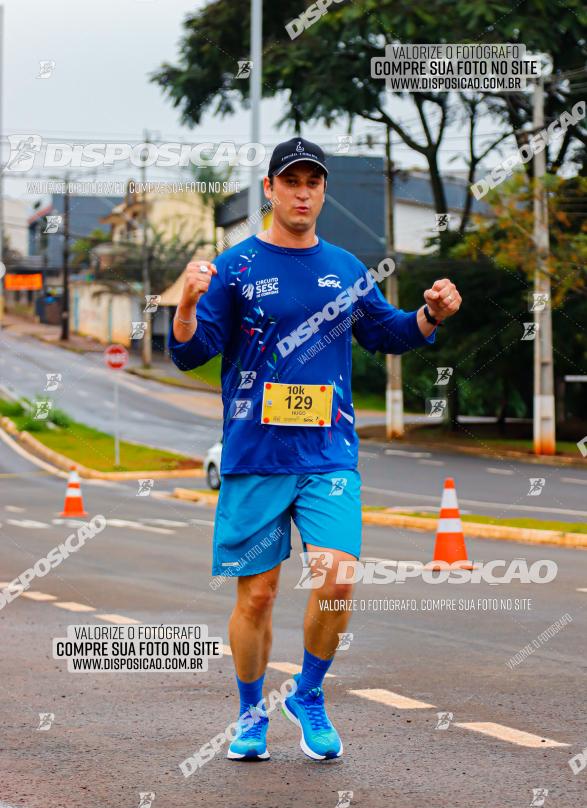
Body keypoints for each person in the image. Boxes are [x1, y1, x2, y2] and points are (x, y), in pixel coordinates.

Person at [169, 137, 461, 762]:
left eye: (313, 182)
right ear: (269, 190)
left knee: (338, 578)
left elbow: (386, 332)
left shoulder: (348, 268)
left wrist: (430, 315)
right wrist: (187, 304)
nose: (302, 192)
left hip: (329, 454)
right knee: (258, 594)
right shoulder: (236, 267)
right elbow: (192, 351)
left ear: (322, 192)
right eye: (290, 181)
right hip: (254, 454)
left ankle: (308, 694)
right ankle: (251, 713)